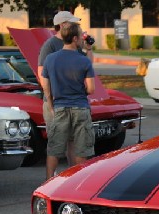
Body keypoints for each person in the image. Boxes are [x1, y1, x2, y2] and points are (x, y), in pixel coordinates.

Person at [38, 11, 94, 165]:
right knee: (56, 145)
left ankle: (71, 176)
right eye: (73, 23)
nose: (77, 26)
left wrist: (88, 48)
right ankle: (52, 182)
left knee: (73, 142)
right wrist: (51, 101)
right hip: (56, 103)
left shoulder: (75, 43)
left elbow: (87, 65)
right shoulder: (50, 45)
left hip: (74, 102)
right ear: (63, 25)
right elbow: (41, 74)